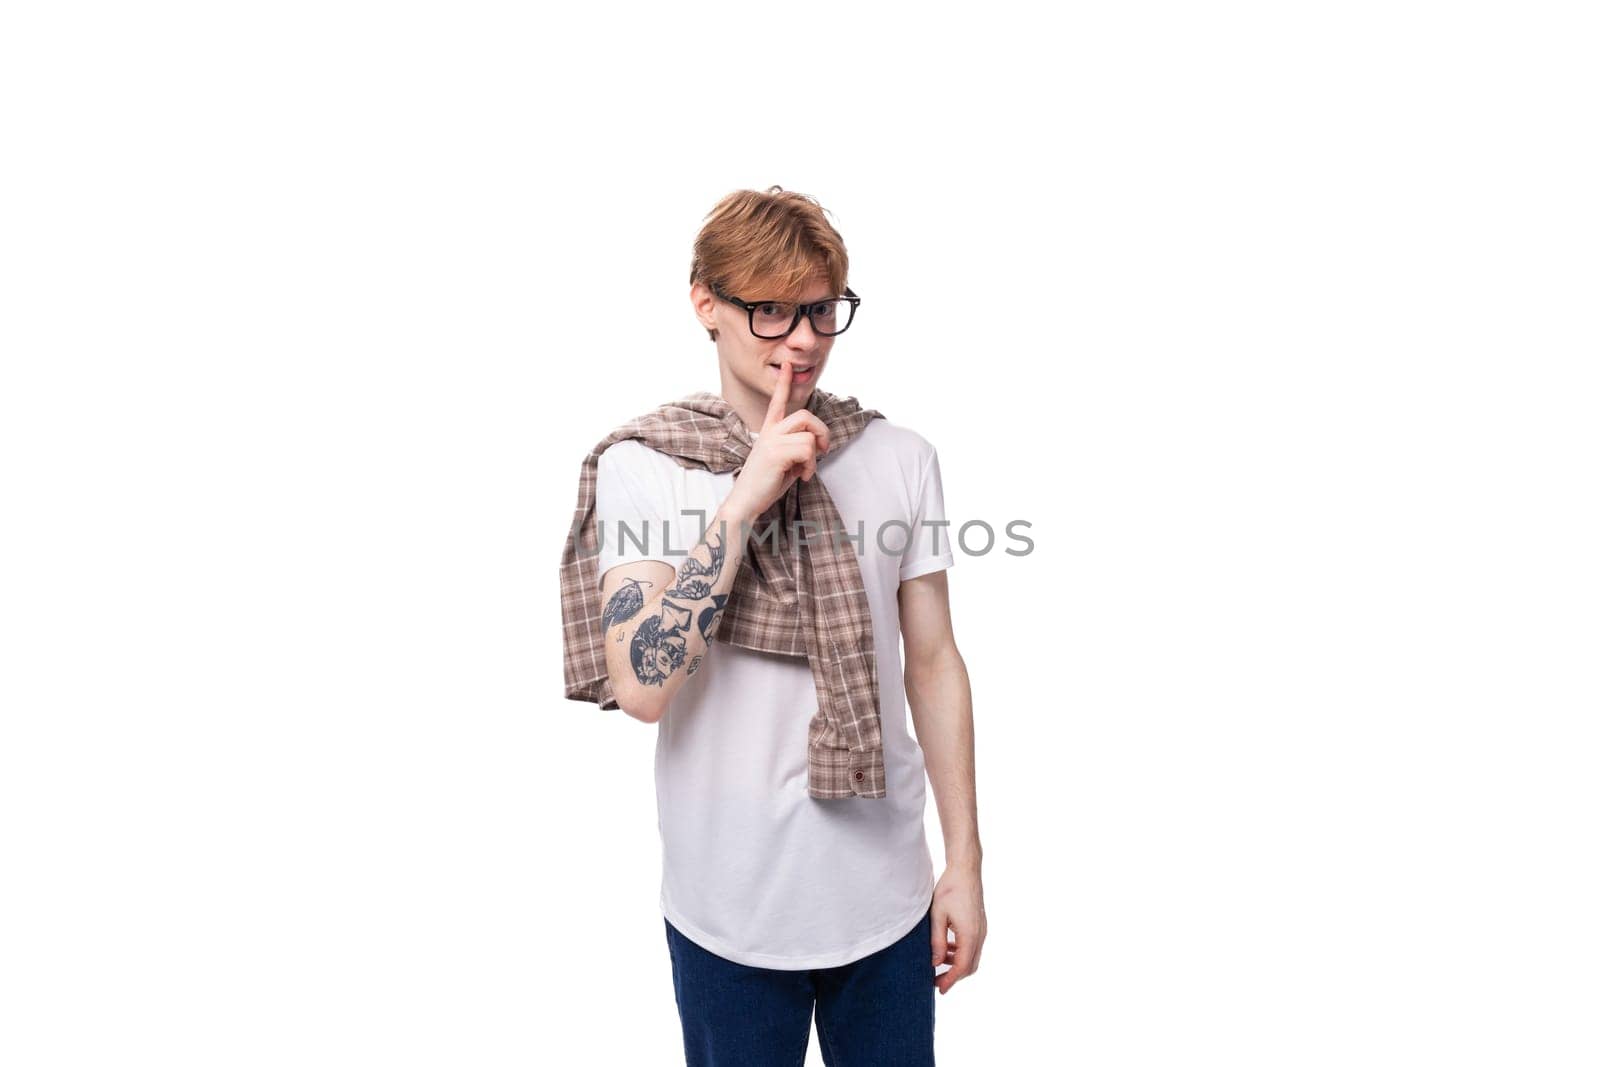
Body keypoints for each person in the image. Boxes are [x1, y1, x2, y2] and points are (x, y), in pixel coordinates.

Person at [575, 187, 984, 1065]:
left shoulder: (898, 457)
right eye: (769, 311)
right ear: (706, 304)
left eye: (820, 311)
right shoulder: (643, 467)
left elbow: (935, 663)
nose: (801, 339)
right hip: (728, 909)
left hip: (887, 895)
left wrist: (964, 863)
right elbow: (641, 688)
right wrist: (751, 488)